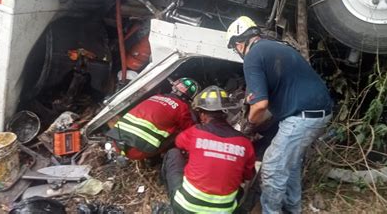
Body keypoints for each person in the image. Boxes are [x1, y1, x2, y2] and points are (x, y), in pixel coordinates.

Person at [226, 16, 333, 213]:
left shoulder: (253, 56)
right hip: (318, 113)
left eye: (235, 47)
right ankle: (292, 209)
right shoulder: (275, 47)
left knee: (273, 168)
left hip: (303, 117)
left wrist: (249, 125)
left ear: (239, 43)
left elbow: (260, 105)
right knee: (289, 164)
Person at [161, 85, 256, 213]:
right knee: (239, 190)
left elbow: (179, 143)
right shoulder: (245, 143)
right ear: (225, 113)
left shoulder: (195, 132)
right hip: (223, 211)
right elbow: (248, 175)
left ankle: (166, 191)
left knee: (173, 153)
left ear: (203, 114)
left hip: (185, 208)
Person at [106, 77, 200, 160]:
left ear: (173, 87)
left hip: (116, 141)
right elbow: (191, 130)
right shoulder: (182, 108)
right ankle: (155, 159)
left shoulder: (155, 97)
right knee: (180, 132)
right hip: (137, 152)